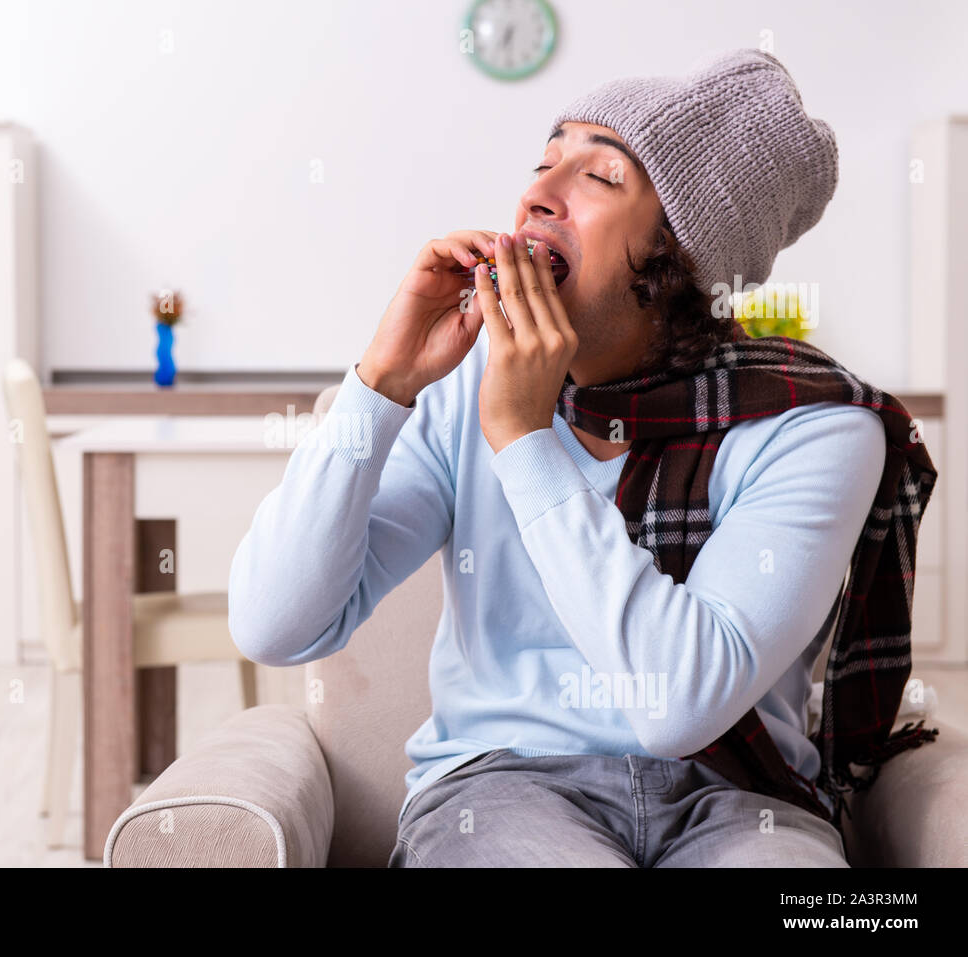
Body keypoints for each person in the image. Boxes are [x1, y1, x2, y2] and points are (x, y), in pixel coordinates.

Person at [228, 48, 936, 867]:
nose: (537, 192)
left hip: (743, 802)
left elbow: (679, 701)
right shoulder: (463, 393)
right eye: (545, 160)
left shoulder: (816, 424)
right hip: (500, 790)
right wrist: (380, 383)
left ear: (684, 260)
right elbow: (275, 623)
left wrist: (526, 443)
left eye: (599, 178)